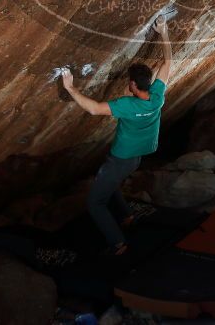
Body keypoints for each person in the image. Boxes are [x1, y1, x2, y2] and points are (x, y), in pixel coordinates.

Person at [61, 16, 172, 254]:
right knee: (111, 185)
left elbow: (93, 109)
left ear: (133, 85)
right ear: (148, 83)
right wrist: (163, 31)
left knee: (94, 203)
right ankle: (128, 216)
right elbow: (168, 61)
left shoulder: (127, 105)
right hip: (137, 157)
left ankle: (118, 243)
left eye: (128, 84)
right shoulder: (157, 96)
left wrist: (70, 87)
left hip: (120, 160)